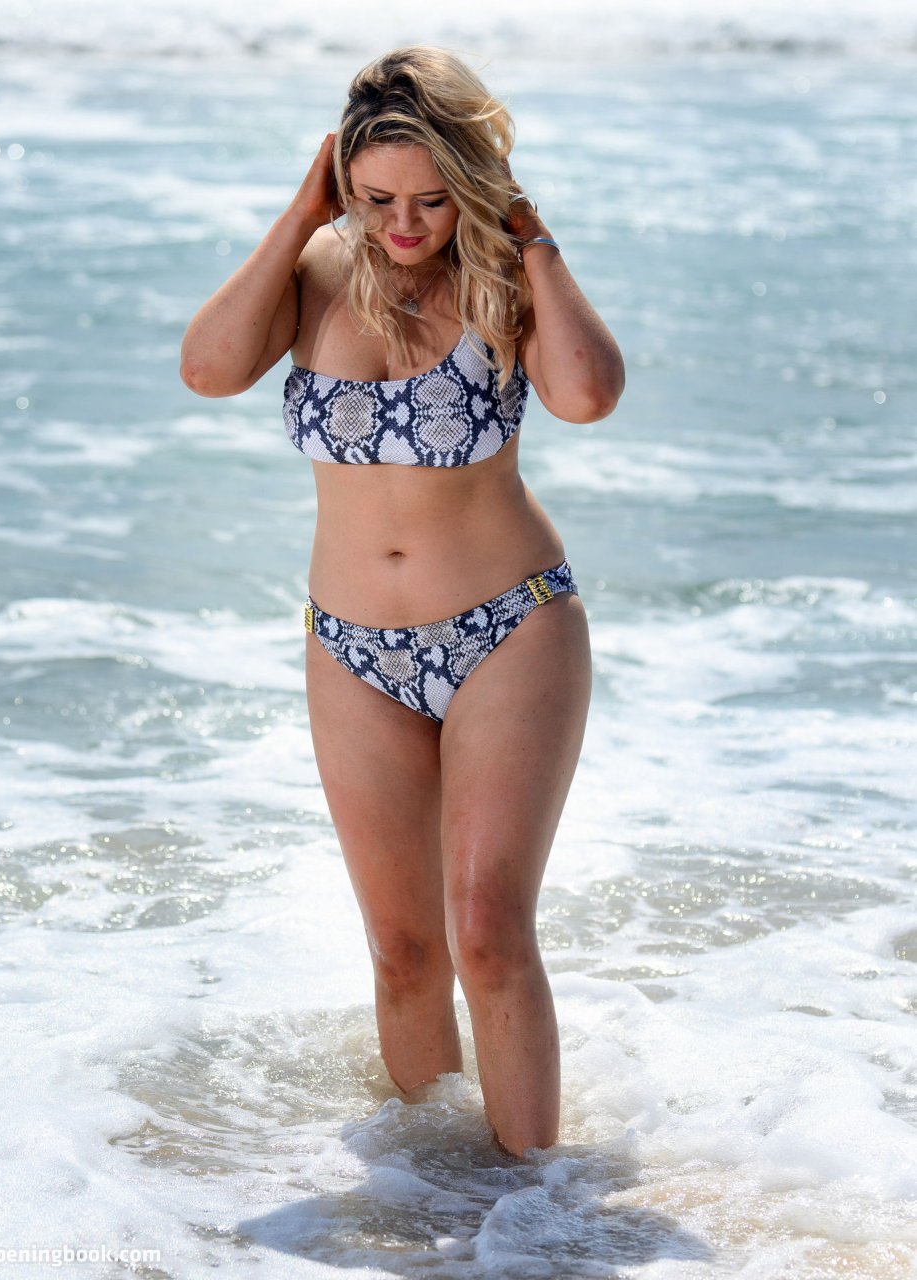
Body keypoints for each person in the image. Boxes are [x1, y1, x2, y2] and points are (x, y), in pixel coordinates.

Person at [180, 46, 625, 1157]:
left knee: (488, 932)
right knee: (404, 952)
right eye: (377, 199)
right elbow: (208, 368)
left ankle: (535, 1208)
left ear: (470, 180)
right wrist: (302, 214)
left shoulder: (501, 275)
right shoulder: (321, 268)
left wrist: (528, 232)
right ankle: (435, 1199)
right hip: (351, 649)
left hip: (507, 628)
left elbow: (586, 394)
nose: (405, 224)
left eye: (431, 198)